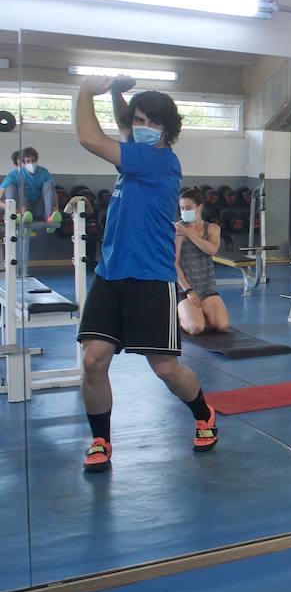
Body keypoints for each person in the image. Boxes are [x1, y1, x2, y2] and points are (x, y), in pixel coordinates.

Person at [73, 78, 219, 473]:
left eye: (148, 122)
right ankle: (101, 439)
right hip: (110, 275)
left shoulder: (158, 161)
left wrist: (87, 90)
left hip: (151, 279)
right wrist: (119, 94)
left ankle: (204, 413)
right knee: (93, 361)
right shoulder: (138, 149)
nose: (138, 126)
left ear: (166, 129)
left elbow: (89, 137)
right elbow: (125, 122)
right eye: (136, 120)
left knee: (166, 368)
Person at [174, 188, 230, 335]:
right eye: (181, 208)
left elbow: (212, 250)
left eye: (188, 208)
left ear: (199, 207)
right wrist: (189, 291)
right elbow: (173, 263)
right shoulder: (178, 230)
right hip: (185, 289)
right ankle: (179, 315)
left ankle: (201, 312)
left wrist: (189, 234)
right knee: (196, 328)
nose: (184, 211)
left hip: (207, 289)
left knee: (221, 326)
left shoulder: (212, 229)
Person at [1, 146, 61, 231]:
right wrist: (12, 208)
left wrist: (56, 208)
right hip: (21, 209)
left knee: (48, 184)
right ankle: (18, 216)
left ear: (36, 160)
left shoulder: (44, 172)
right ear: (24, 163)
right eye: (28, 161)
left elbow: (53, 193)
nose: (31, 163)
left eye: (33, 160)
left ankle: (50, 216)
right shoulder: (14, 174)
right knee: (11, 187)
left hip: (40, 208)